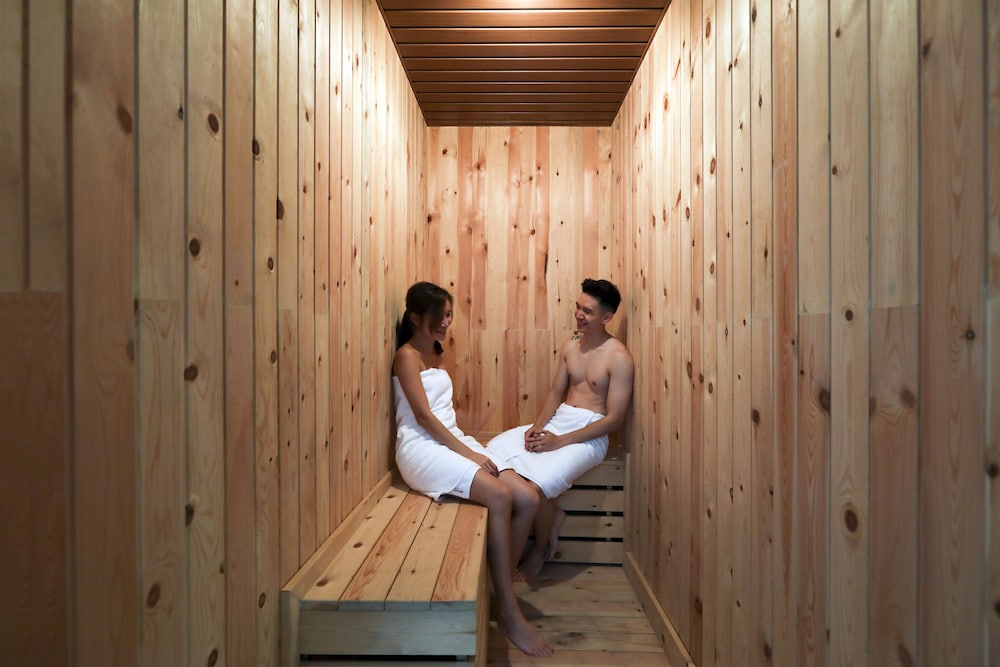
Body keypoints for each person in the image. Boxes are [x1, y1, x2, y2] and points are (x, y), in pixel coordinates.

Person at [392, 281, 554, 658]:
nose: (446, 323)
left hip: (449, 438)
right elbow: (422, 416)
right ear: (415, 317)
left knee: (528, 499)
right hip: (420, 448)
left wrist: (467, 443)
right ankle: (509, 613)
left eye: (449, 315)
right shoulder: (406, 356)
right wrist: (468, 452)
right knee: (500, 496)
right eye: (439, 316)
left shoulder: (436, 350)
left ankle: (497, 590)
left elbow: (443, 415)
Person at [487, 278, 634, 580]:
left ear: (606, 317)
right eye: (578, 307)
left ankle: (539, 549)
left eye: (588, 311)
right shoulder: (571, 346)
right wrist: (537, 426)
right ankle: (548, 518)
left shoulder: (619, 358)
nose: (579, 314)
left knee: (533, 489)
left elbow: (614, 420)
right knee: (493, 450)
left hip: (590, 435)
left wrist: (559, 441)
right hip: (560, 422)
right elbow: (556, 393)